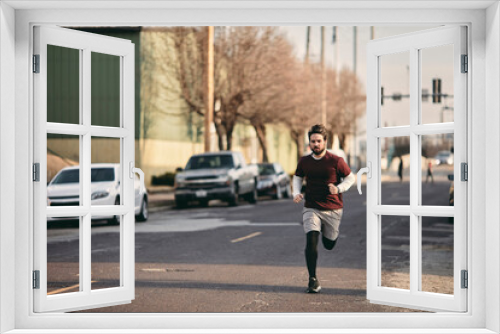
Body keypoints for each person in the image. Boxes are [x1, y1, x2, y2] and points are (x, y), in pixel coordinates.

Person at [293, 124, 355, 293]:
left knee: (329, 244)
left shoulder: (336, 161)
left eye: (319, 141)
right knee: (311, 240)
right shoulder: (304, 161)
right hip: (311, 207)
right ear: (309, 143)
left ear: (325, 141)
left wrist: (338, 188)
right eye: (313, 141)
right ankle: (312, 280)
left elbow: (350, 178)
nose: (316, 144)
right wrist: (296, 192)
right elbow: (297, 177)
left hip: (333, 209)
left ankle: (330, 236)